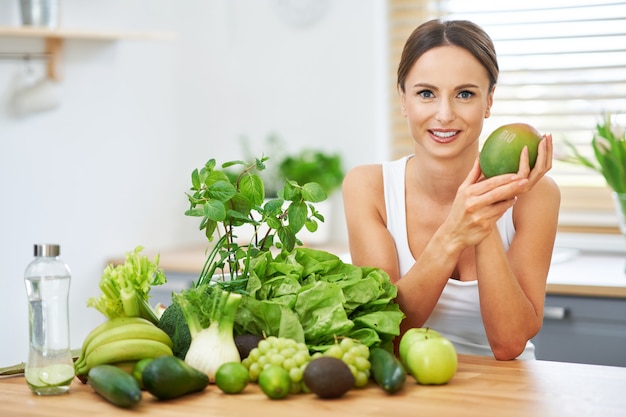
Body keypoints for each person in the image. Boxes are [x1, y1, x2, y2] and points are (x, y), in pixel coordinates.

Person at [342, 19, 560, 360]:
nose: (444, 114)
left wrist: (485, 213)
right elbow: (385, 333)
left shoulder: (536, 195)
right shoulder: (368, 188)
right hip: (407, 391)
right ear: (403, 100)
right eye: (426, 93)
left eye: (465, 94)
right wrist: (454, 233)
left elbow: (508, 343)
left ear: (488, 101)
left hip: (508, 394)